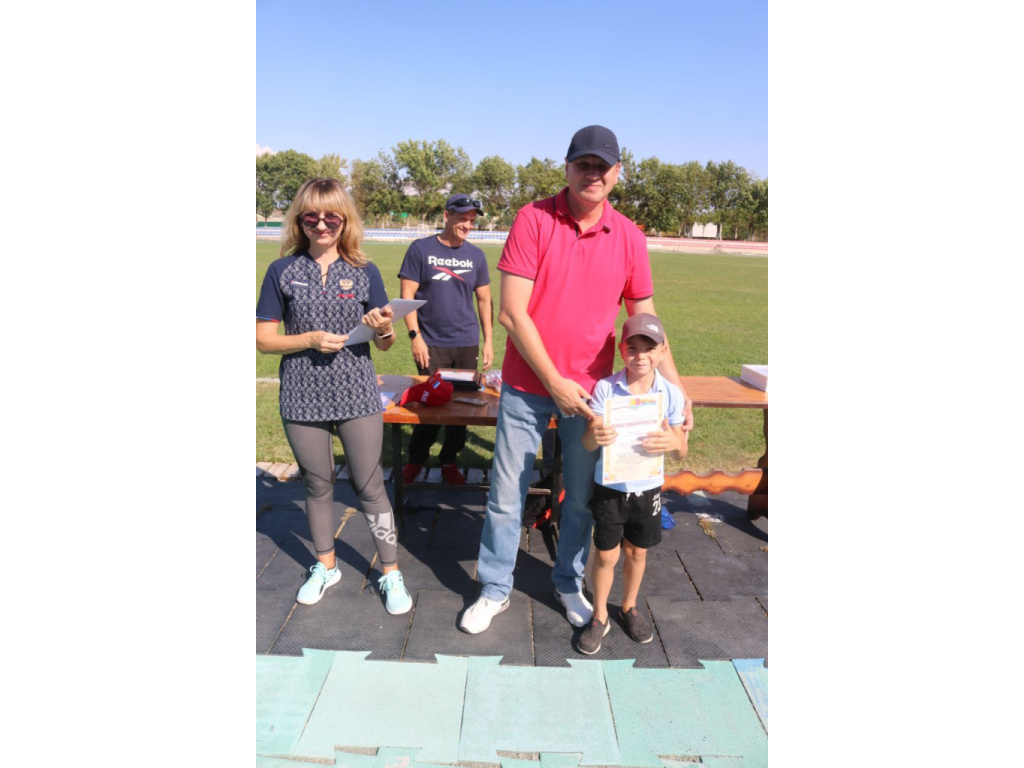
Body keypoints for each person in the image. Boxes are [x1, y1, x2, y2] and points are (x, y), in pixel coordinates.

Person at [459, 125, 693, 634]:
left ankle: (567, 581)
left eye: (602, 166)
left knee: (583, 498)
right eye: (583, 164)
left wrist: (676, 391)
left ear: (617, 173)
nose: (593, 173)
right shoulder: (533, 218)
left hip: (594, 393)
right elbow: (511, 312)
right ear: (567, 167)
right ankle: (494, 588)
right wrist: (555, 382)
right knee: (506, 494)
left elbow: (646, 320)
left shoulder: (628, 236)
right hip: (527, 386)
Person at [256, 177, 413, 615]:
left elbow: (385, 342)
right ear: (299, 220)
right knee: (317, 484)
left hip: (357, 393)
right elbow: (263, 340)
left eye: (331, 217)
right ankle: (326, 566)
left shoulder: (365, 271)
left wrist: (384, 327)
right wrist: (308, 339)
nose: (322, 225)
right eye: (312, 216)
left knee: (369, 485)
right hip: (302, 394)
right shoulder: (282, 271)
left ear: (345, 220)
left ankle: (390, 571)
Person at [577, 313, 687, 654]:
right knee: (606, 555)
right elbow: (587, 443)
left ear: (663, 350)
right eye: (633, 347)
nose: (640, 356)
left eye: (649, 348)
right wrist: (595, 436)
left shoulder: (670, 394)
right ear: (622, 349)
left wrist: (673, 442)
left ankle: (629, 607)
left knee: (637, 551)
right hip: (611, 487)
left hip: (647, 487)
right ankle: (599, 616)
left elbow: (681, 450)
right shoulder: (606, 388)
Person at [398, 194, 493, 486]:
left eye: (472, 220)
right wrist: (415, 337)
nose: (468, 224)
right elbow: (406, 296)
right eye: (462, 218)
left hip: (466, 342)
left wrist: (488, 341)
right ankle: (416, 460)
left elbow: (484, 299)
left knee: (461, 407)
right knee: (430, 403)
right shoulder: (420, 249)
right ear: (447, 216)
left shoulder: (476, 255)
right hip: (432, 343)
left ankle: (450, 460)